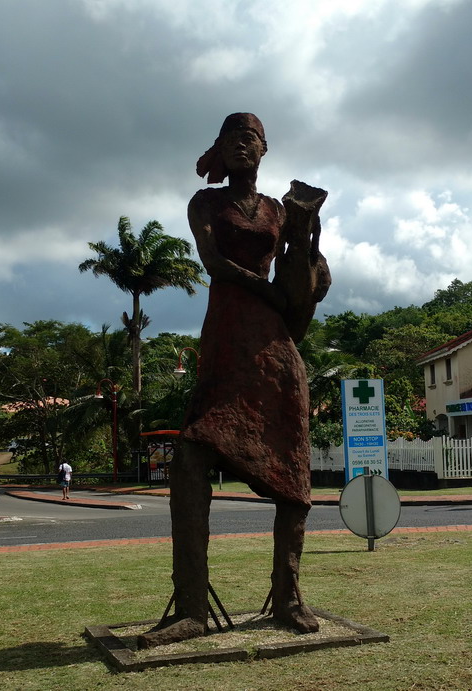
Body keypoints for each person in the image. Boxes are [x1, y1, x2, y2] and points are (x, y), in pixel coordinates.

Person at [140, 113, 330, 647]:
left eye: (251, 139)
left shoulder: (276, 208)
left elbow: (299, 285)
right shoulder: (206, 204)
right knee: (191, 457)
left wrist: (307, 240)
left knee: (293, 478)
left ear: (264, 149)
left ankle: (289, 596)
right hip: (226, 338)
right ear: (221, 149)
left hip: (274, 350)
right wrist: (266, 290)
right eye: (232, 139)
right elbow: (214, 261)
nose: (242, 146)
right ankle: (192, 609)